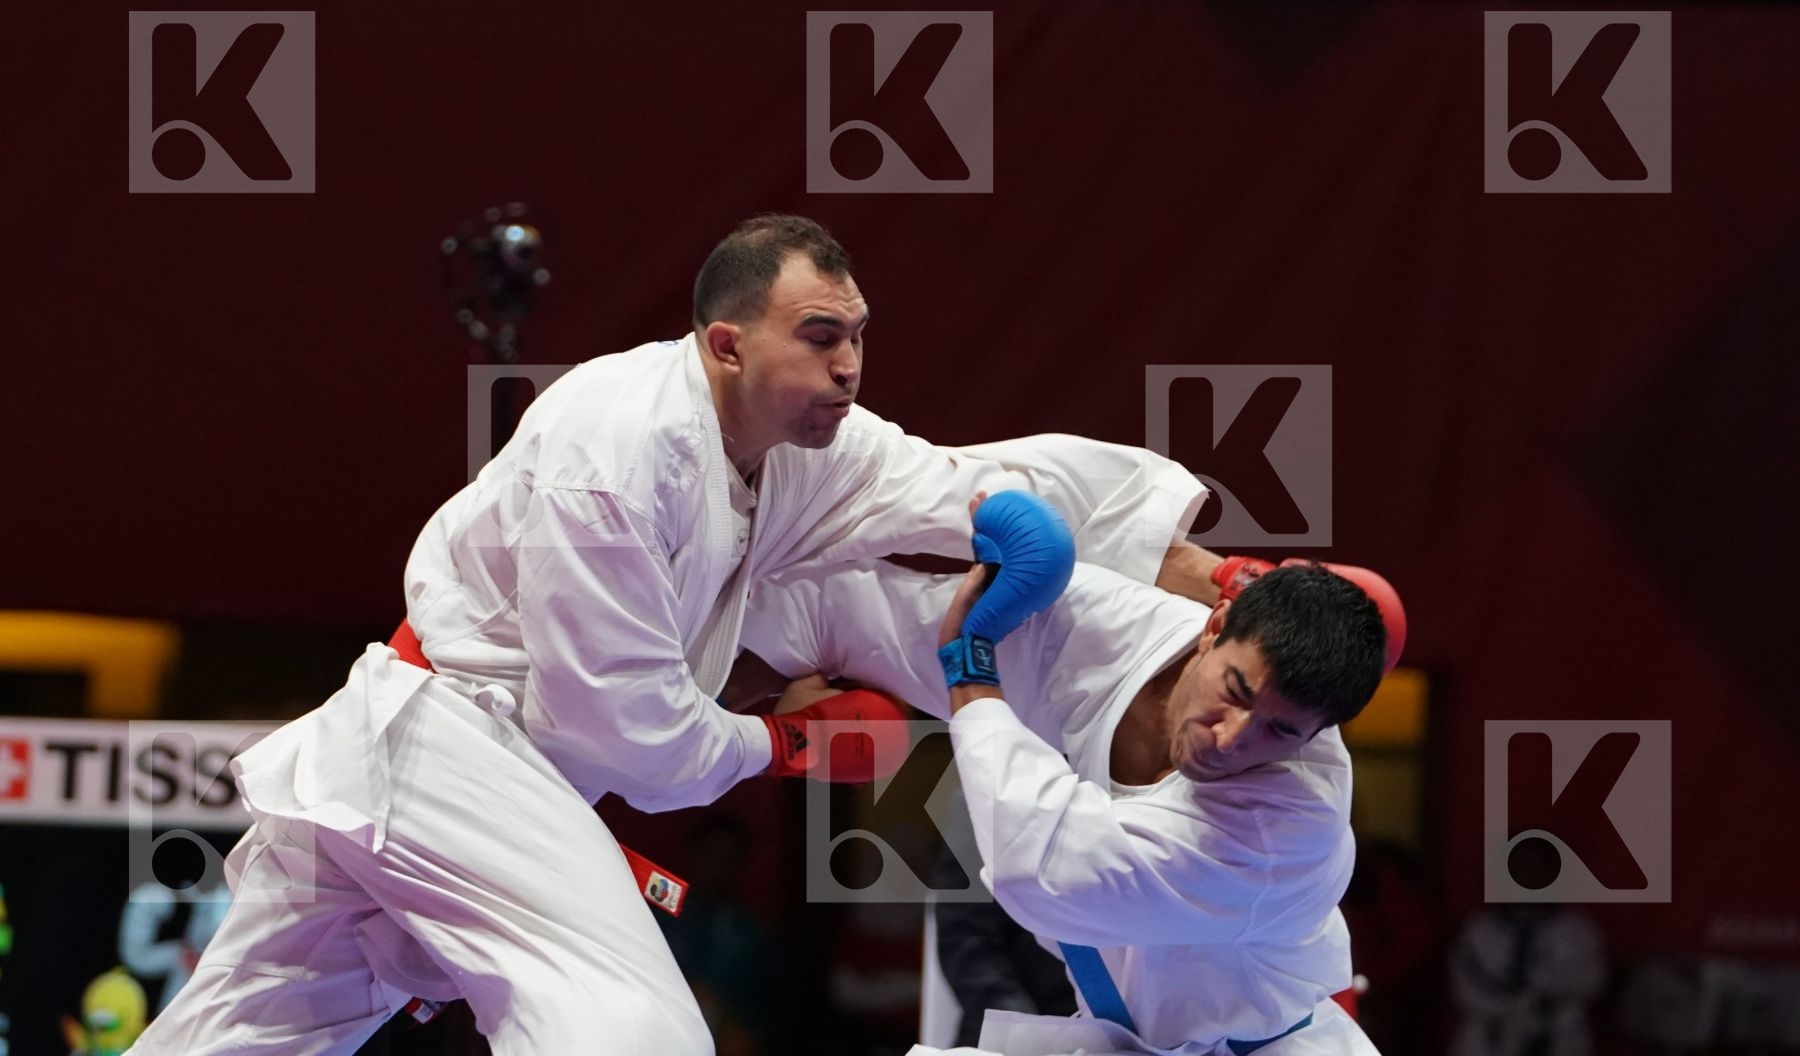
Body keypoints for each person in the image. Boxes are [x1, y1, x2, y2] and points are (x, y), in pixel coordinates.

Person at [132, 215, 1210, 1056]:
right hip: (454, 746)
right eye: (821, 337)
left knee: (242, 1032)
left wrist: (1125, 544)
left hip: (462, 768)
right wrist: (787, 744)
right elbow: (630, 740)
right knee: (628, 1030)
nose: (849, 366)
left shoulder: (807, 445)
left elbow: (955, 475)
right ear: (728, 344)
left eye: (860, 338)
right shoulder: (614, 446)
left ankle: (1199, 594)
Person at [740, 498, 1402, 1056]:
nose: (1232, 738)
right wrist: (731, 660)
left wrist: (971, 676)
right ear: (1216, 626)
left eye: (1280, 732)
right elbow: (861, 619)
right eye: (1235, 691)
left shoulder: (1286, 828)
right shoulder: (1102, 627)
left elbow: (1045, 874)